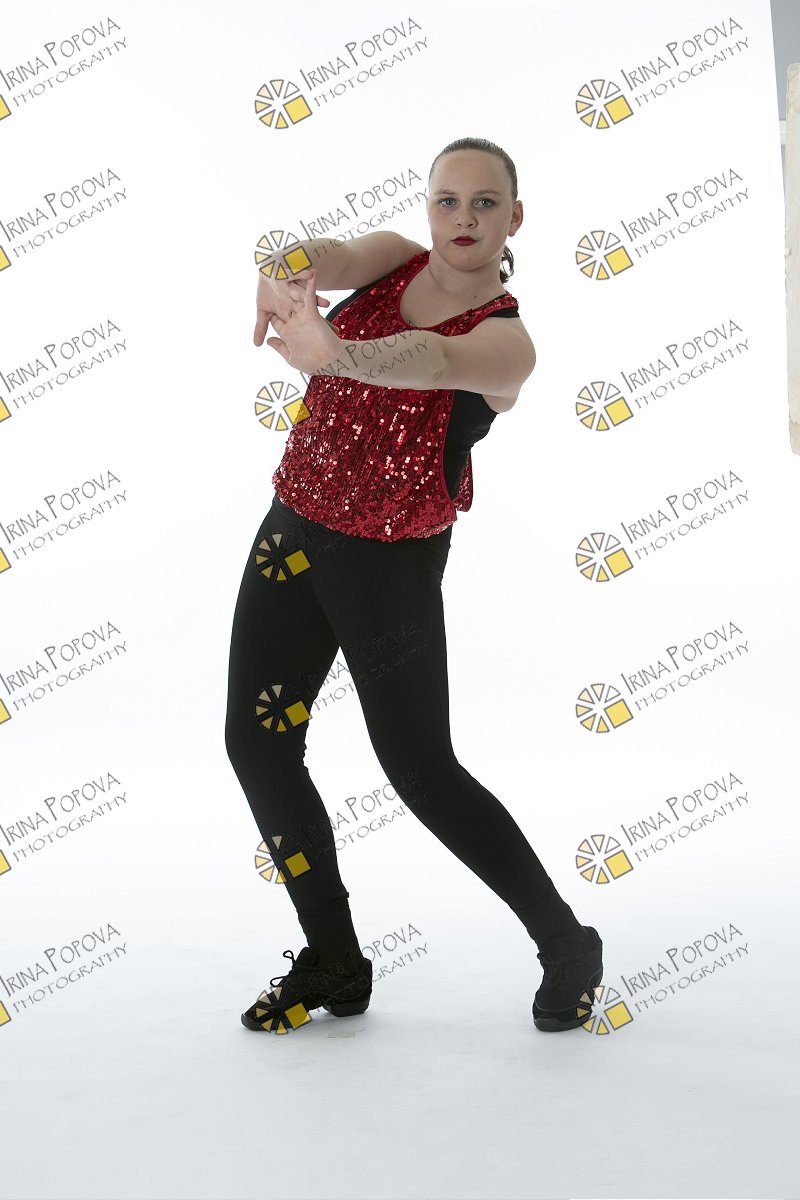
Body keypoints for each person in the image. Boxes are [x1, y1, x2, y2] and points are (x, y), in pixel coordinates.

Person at [225, 137, 603, 1036]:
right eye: (447, 200)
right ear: (428, 208)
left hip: (386, 563)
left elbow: (427, 362)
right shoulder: (394, 257)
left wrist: (333, 352)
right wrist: (282, 270)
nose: (462, 218)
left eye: (484, 203)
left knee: (420, 770)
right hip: (293, 527)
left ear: (515, 218)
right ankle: (336, 960)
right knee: (257, 744)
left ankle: (567, 942)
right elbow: (329, 257)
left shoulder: (506, 343)